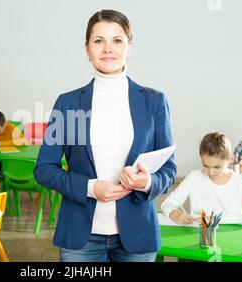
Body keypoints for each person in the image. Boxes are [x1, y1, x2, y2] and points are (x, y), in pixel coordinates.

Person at [33, 10, 177, 262]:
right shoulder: (68, 103)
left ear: (129, 46)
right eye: (98, 41)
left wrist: (145, 183)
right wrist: (90, 188)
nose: (107, 48)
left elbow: (168, 170)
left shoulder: (154, 101)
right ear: (87, 48)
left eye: (117, 40)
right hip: (81, 236)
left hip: (137, 235)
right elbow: (44, 169)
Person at [161, 132, 242, 225]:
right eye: (205, 165)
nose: (210, 172)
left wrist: (217, 219)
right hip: (199, 237)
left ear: (230, 159)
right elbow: (167, 203)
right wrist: (174, 213)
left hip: (231, 238)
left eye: (217, 167)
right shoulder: (194, 177)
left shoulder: (240, 183)